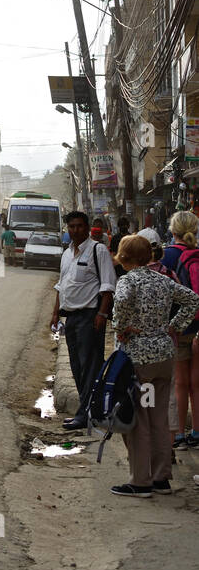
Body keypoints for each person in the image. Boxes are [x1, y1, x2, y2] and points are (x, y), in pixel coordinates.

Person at [107, 235, 199, 497]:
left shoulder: (128, 280)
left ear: (124, 258)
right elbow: (193, 299)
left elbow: (122, 302)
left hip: (140, 361)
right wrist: (174, 328)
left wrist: (121, 327)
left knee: (139, 419)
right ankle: (161, 478)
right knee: (158, 417)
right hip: (163, 358)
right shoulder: (163, 280)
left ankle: (140, 481)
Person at [52, 211, 117, 431]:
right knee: (77, 366)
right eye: (71, 226)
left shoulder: (98, 251)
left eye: (79, 226)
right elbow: (61, 286)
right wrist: (55, 313)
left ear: (87, 228)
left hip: (90, 317)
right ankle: (88, 410)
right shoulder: (66, 254)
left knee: (90, 367)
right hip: (70, 318)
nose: (75, 230)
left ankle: (86, 414)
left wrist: (102, 315)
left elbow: (108, 287)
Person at [161, 211, 199, 450]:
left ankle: (177, 436)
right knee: (197, 383)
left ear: (172, 230)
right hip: (198, 328)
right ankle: (196, 432)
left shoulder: (167, 256)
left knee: (178, 382)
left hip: (178, 328)